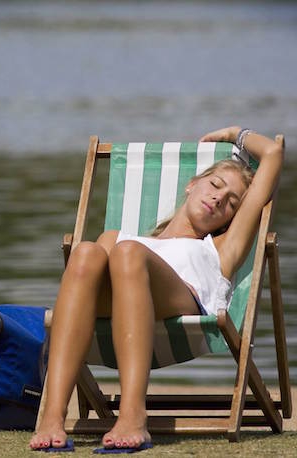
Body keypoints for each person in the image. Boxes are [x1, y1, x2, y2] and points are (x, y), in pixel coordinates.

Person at [29, 127, 283, 452]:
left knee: (127, 252)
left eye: (231, 202)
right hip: (118, 303)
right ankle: (53, 416)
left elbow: (273, 155)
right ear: (191, 185)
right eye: (215, 185)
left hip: (181, 303)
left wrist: (235, 133)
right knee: (86, 252)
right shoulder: (118, 238)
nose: (219, 198)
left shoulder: (221, 248)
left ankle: (133, 416)